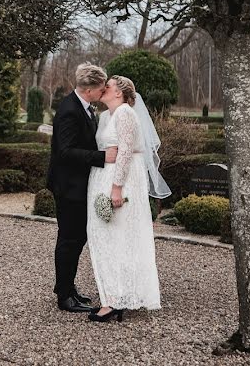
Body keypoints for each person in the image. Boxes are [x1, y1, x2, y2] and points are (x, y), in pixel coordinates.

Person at [86, 75, 171, 322]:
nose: (104, 88)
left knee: (119, 237)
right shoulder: (104, 117)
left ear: (119, 93)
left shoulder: (125, 113)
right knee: (104, 237)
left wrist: (116, 188)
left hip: (120, 182)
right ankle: (113, 295)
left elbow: (124, 152)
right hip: (100, 179)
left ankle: (114, 300)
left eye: (108, 86)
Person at [46, 63, 118, 313]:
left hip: (78, 185)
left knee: (77, 239)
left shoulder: (85, 108)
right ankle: (64, 296)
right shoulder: (69, 110)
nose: (103, 93)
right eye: (101, 88)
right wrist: (101, 157)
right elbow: (64, 152)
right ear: (90, 89)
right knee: (69, 240)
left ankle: (68, 288)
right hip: (68, 187)